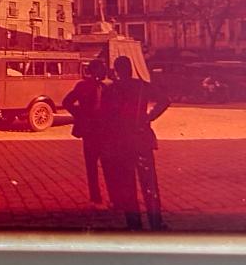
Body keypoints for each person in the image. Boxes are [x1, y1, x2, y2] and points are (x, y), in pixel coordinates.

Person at [102, 56, 171, 231]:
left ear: (116, 71)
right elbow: (165, 100)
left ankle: (134, 224)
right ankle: (156, 223)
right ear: (131, 69)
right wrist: (149, 116)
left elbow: (106, 117)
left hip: (121, 142)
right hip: (141, 138)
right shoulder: (142, 86)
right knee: (150, 184)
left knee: (127, 186)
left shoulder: (111, 89)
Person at [62, 59, 109, 205]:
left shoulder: (106, 87)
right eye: (102, 69)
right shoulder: (82, 86)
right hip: (90, 130)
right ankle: (96, 197)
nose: (104, 72)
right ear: (94, 71)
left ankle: (110, 196)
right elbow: (67, 102)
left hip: (104, 130)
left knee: (107, 164)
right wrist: (80, 115)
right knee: (92, 164)